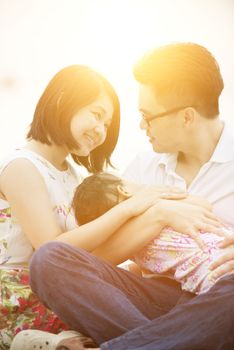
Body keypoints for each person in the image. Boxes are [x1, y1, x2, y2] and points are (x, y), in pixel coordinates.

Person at [10, 43, 234, 350]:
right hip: (157, 301)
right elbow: (97, 256)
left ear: (187, 117)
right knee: (49, 260)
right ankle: (170, 340)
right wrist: (158, 215)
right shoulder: (142, 170)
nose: (141, 125)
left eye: (148, 115)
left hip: (220, 298)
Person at [0, 64, 179, 349]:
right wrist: (127, 209)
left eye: (107, 124)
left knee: (169, 292)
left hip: (64, 292)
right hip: (24, 300)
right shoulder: (22, 166)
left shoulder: (74, 176)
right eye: (97, 115)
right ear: (62, 100)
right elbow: (53, 251)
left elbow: (92, 253)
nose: (101, 130)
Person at [71, 172, 233, 295]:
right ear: (124, 190)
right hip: (223, 256)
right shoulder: (164, 200)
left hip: (208, 281)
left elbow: (155, 276)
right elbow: (204, 205)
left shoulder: (132, 248)